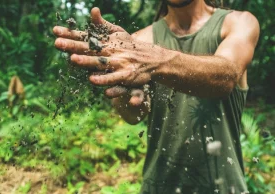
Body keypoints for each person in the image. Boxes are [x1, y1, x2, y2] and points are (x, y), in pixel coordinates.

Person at [53, 0, 259, 193]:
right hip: (159, 185)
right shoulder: (140, 41)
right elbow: (132, 116)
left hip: (223, 185)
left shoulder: (238, 22)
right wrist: (131, 97)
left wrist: (155, 61)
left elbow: (225, 77)